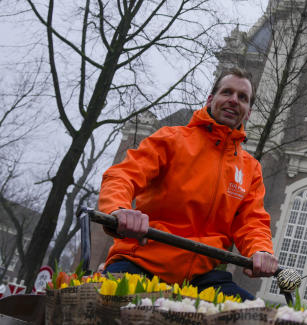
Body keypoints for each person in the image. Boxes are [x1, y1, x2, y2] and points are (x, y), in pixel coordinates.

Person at [98, 67, 278, 300]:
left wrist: (260, 250)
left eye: (242, 97)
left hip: (200, 278)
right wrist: (119, 209)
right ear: (211, 100)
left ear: (249, 112)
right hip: (142, 262)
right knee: (103, 308)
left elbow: (252, 222)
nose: (234, 100)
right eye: (227, 92)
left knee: (256, 319)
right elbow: (122, 176)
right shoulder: (171, 139)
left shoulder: (250, 168)